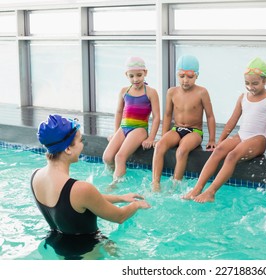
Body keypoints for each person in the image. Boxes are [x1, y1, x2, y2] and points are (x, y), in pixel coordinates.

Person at [31, 114, 150, 258]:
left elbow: (80, 201)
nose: (82, 145)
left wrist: (121, 198)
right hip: (87, 252)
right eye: (81, 140)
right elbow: (120, 216)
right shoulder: (81, 188)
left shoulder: (35, 176)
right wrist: (136, 205)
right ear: (68, 149)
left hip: (56, 243)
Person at [184, 57, 266, 203]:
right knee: (219, 151)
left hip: (258, 139)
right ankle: (197, 188)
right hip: (241, 135)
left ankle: (211, 192)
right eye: (247, 83)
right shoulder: (243, 97)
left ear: (265, 81)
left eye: (255, 83)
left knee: (232, 155)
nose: (250, 87)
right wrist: (219, 142)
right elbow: (232, 121)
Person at [151, 55, 216, 191]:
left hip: (195, 132)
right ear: (177, 74)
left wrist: (211, 139)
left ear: (197, 76)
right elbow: (168, 115)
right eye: (181, 76)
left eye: (190, 77)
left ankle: (176, 183)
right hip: (177, 129)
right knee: (160, 146)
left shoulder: (202, 92)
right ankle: (155, 183)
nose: (185, 80)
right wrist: (163, 135)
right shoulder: (171, 92)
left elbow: (210, 116)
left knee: (181, 151)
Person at [103, 56, 160, 186]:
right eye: (132, 76)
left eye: (139, 75)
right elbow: (118, 112)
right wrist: (115, 132)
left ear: (145, 73)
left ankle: (115, 184)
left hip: (139, 129)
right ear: (126, 75)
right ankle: (118, 174)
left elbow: (156, 117)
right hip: (124, 128)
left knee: (120, 157)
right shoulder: (124, 91)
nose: (136, 79)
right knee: (107, 157)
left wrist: (151, 138)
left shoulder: (151, 92)